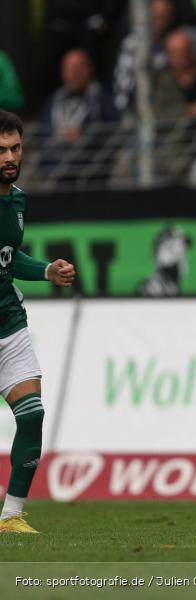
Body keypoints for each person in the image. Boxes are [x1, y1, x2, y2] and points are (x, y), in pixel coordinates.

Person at [0, 111, 76, 534]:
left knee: (31, 416)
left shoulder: (18, 200)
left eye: (16, 149)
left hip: (8, 325)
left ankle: (11, 517)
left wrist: (46, 270)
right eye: (1, 151)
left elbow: (9, 260)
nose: (10, 158)